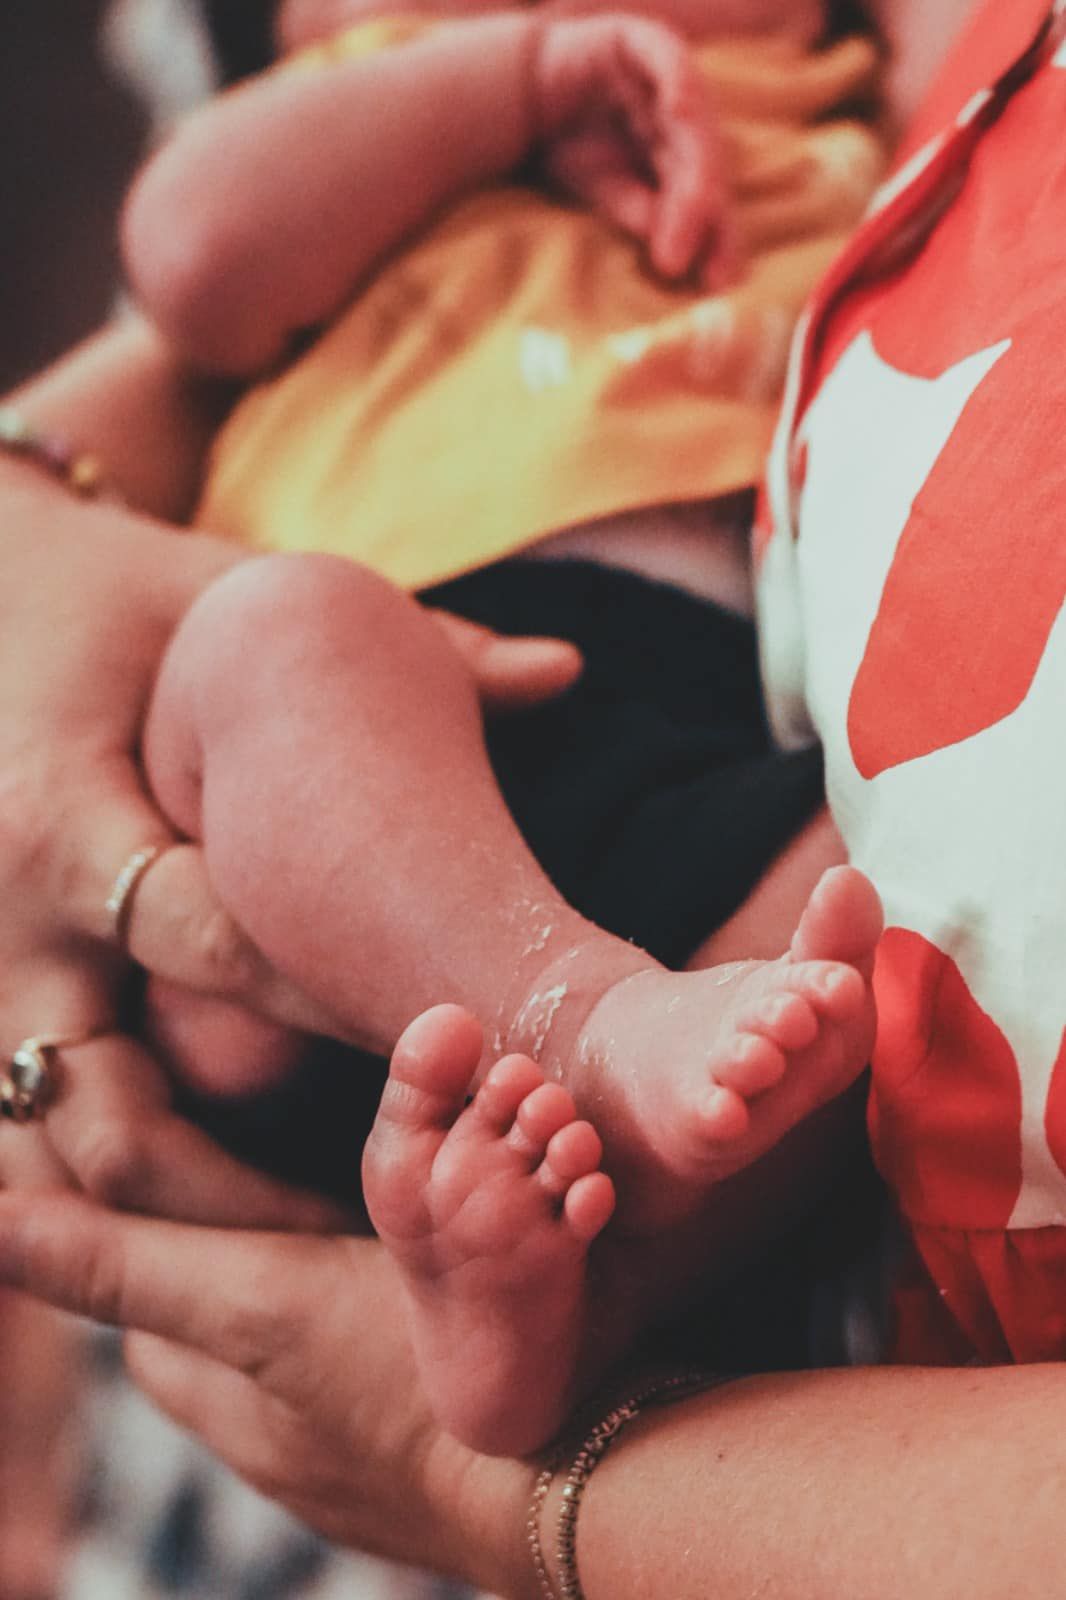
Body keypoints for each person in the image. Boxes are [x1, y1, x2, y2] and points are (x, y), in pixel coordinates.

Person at [112, 0, 885, 1452]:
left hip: (701, 795)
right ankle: (581, 1018)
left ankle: (574, 1302)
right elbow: (192, 259)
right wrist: (511, 79)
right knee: (274, 631)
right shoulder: (373, 103)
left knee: (877, 906)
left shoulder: (837, 105)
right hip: (358, 791)